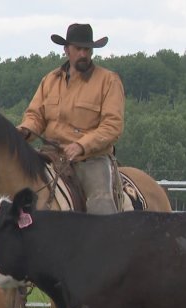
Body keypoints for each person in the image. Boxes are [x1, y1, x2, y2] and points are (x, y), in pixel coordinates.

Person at [17, 23, 125, 214]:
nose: (83, 54)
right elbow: (36, 116)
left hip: (90, 158)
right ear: (66, 50)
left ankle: (108, 241)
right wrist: (24, 130)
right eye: (78, 49)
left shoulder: (108, 81)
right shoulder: (50, 80)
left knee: (100, 204)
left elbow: (112, 125)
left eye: (87, 49)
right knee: (13, 186)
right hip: (49, 154)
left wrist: (81, 145)